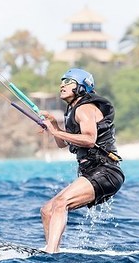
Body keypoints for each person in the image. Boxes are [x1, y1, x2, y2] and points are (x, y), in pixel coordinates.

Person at [40, 68, 125, 253]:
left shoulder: (85, 108)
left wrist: (55, 131)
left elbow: (89, 139)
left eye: (68, 81)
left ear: (81, 87)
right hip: (92, 172)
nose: (62, 84)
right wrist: (54, 126)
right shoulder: (73, 111)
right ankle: (51, 250)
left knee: (61, 203)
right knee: (47, 210)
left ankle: (51, 252)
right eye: (62, 81)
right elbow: (62, 144)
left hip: (106, 171)